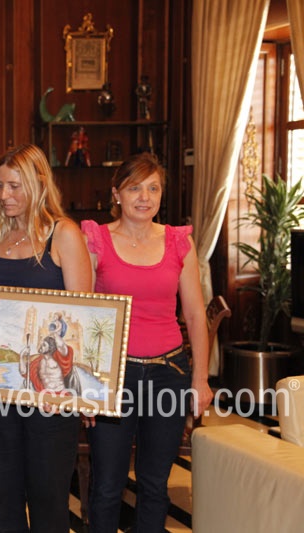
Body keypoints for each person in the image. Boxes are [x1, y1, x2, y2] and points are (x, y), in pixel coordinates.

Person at [80, 152, 212, 532]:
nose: (144, 197)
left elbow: (195, 315)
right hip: (112, 377)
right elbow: (83, 315)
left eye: (153, 188)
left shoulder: (179, 242)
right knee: (107, 485)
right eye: (134, 188)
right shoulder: (96, 240)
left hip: (168, 373)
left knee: (155, 484)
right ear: (116, 194)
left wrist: (200, 379)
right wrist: (84, 386)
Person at [0, 143, 92, 532]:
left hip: (52, 394)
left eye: (14, 186)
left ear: (39, 184)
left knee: (48, 498)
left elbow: (83, 319)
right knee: (2, 497)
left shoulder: (64, 234)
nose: (4, 195)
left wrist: (81, 394)